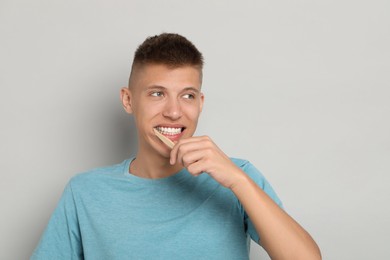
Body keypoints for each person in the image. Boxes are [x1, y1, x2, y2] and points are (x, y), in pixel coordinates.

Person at [31, 33, 321, 260]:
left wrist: (237, 181)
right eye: (157, 93)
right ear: (128, 100)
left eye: (187, 96)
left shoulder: (239, 176)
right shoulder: (85, 193)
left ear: (201, 103)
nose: (173, 111)